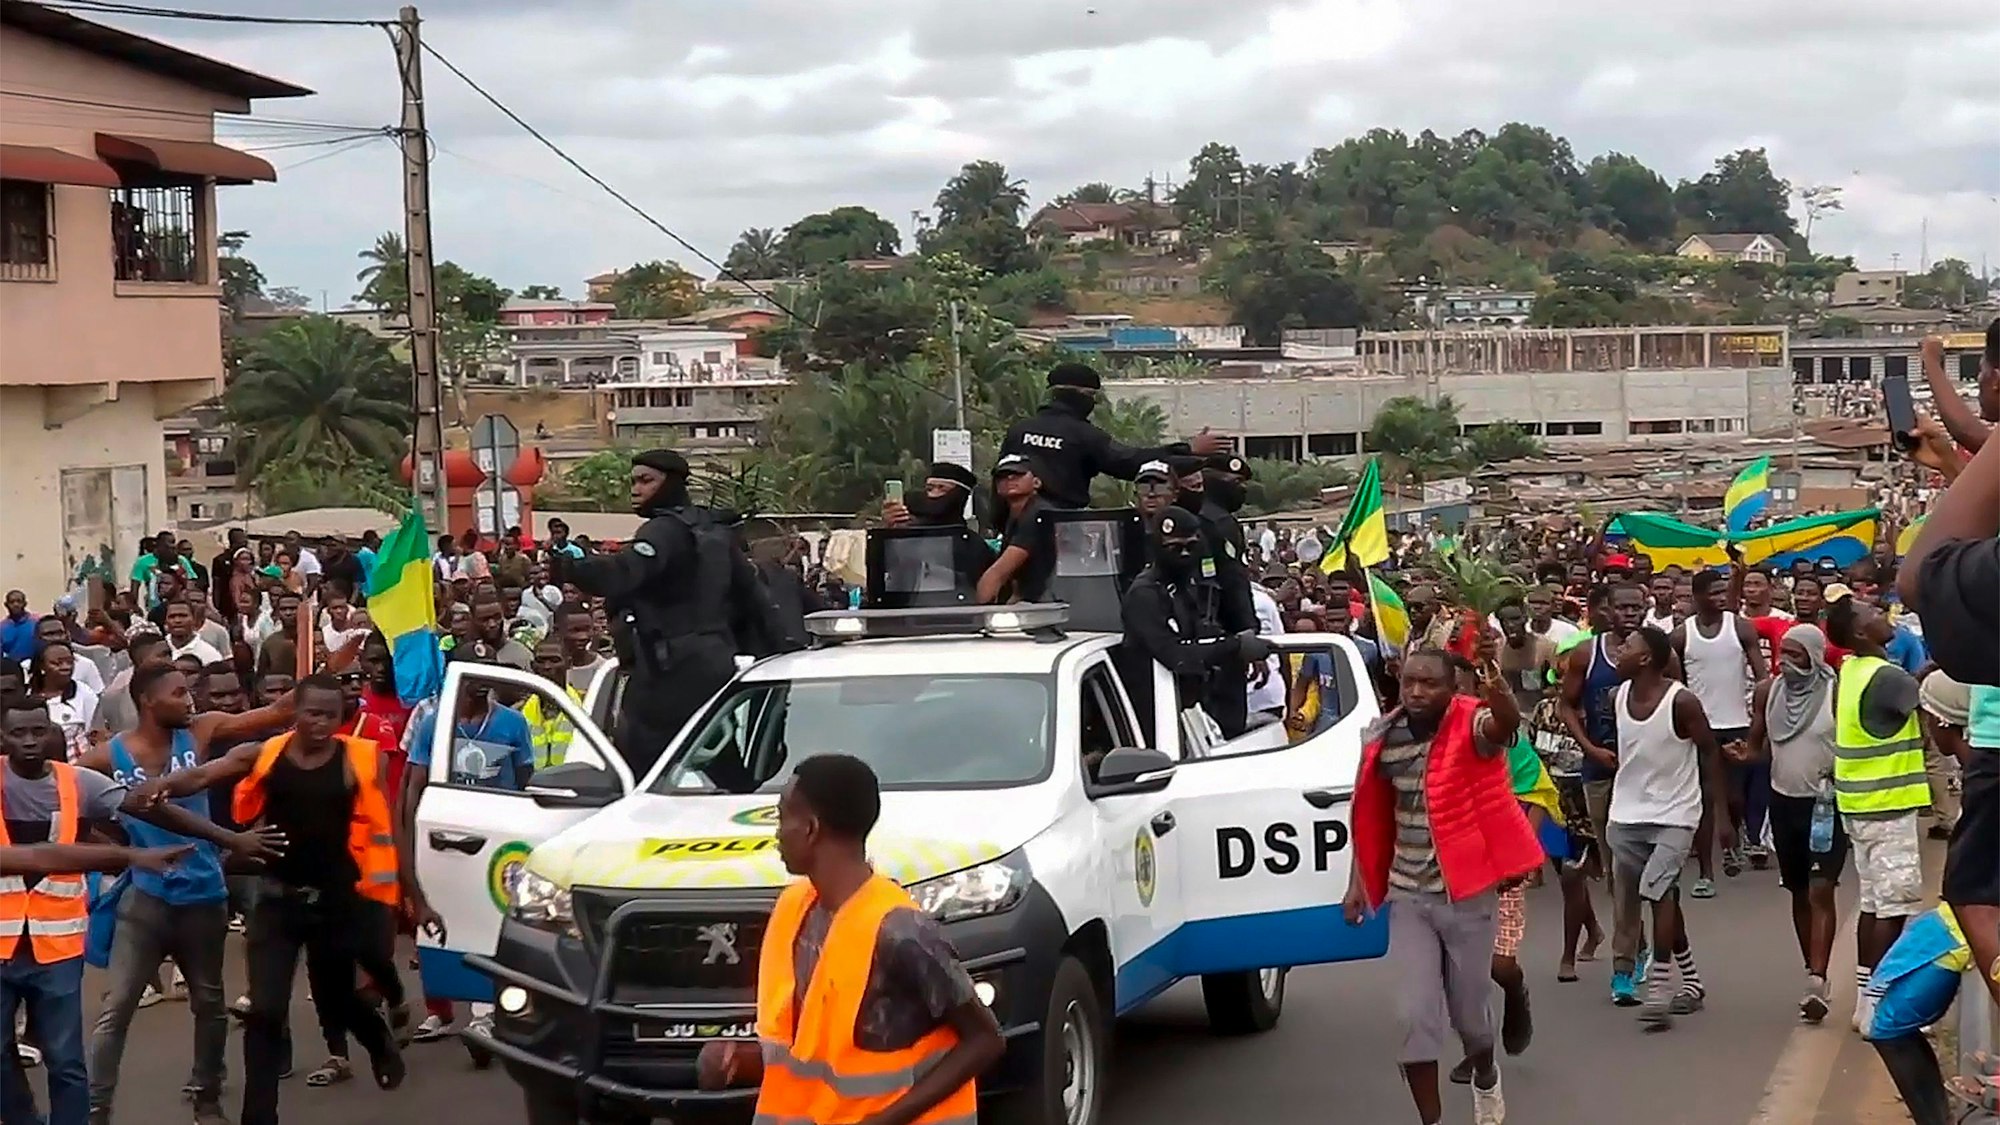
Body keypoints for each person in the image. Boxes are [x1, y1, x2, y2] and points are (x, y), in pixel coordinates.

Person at [140, 674, 412, 1125]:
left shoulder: (358, 760)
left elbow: (385, 822)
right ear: (295, 714)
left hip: (337, 901)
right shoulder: (266, 753)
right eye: (312, 713)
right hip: (275, 901)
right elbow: (206, 773)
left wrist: (406, 886)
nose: (321, 723)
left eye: (331, 714)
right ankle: (259, 1115)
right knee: (265, 1010)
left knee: (339, 998)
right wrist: (163, 786)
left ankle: (379, 1043)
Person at [694, 754, 1003, 1123]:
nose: (776, 832)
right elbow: (812, 1056)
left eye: (781, 817)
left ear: (810, 828)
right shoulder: (794, 911)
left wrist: (885, 1120)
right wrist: (737, 1059)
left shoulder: (901, 931)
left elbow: (986, 1040)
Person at [75, 662, 290, 1125]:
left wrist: (318, 687)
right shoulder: (109, 756)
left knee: (209, 1004)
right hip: (146, 900)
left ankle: (207, 1099)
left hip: (204, 895)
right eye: (179, 692)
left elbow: (273, 715)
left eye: (189, 691)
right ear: (148, 701)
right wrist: (121, 853)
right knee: (117, 1008)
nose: (190, 699)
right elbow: (75, 804)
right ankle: (95, 1110)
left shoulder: (202, 731)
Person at [1343, 644, 1542, 1125]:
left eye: (1429, 683)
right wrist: (1357, 884)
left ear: (1452, 689)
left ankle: (1486, 1074)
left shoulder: (1472, 726)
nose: (1416, 691)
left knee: (1471, 1020)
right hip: (1409, 895)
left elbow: (1504, 726)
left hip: (1468, 895)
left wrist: (1497, 690)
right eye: (1410, 681)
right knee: (1415, 1020)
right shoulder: (1381, 737)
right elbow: (1369, 815)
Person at [550, 449, 790, 775]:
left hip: (670, 673)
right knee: (725, 770)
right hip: (715, 668)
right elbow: (757, 603)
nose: (635, 489)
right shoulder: (712, 531)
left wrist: (572, 567)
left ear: (672, 483)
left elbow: (624, 572)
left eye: (646, 481)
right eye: (633, 481)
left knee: (630, 778)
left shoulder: (663, 531)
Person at [1606, 626, 1733, 1030]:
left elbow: (1710, 752)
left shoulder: (1682, 702)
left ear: (1645, 659)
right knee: (1661, 897)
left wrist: (1722, 816)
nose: (1619, 650)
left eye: (1628, 647)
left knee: (1658, 892)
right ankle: (1692, 983)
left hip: (1675, 815)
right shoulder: (1617, 696)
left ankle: (1659, 986)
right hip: (1625, 815)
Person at [1825, 594, 1929, 1033]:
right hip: (1887, 807)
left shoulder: (1851, 671)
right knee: (1892, 909)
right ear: (1860, 633)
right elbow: (1929, 702)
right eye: (1870, 614)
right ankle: (1882, 1003)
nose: (1880, 614)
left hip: (1859, 804)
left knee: (1873, 904)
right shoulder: (1887, 676)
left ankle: (1867, 999)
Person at [1746, 625, 1846, 1024]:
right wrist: (1743, 755)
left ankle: (1818, 979)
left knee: (1822, 890)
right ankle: (1812, 970)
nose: (1786, 661)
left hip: (1825, 806)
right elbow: (1757, 748)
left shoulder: (1836, 694)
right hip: (1783, 804)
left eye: (1795, 654)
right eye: (1782, 653)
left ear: (1815, 656)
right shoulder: (1768, 692)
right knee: (1799, 892)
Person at [1557, 582, 1649, 1004]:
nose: (1629, 613)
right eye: (1621, 606)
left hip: (1649, 776)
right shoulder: (1585, 654)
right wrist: (1589, 746)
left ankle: (1653, 950)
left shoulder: (1659, 654)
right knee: (1616, 870)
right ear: (1605, 611)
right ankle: (1630, 954)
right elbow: (1565, 705)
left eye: (1636, 605)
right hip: (1600, 772)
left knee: (1652, 872)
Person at [1117, 508, 1273, 749]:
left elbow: (1199, 636)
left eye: (1191, 546)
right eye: (1175, 548)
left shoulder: (1185, 587)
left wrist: (1240, 639)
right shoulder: (1145, 594)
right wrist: (1235, 647)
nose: (1185, 553)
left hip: (1188, 711)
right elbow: (1175, 655)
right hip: (1153, 718)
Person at [998, 359, 1221, 510]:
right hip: (1063, 531)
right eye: (1091, 396)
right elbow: (1131, 463)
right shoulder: (1084, 436)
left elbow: (997, 483)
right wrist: (1189, 450)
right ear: (1082, 395)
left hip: (1014, 532)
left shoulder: (1018, 431)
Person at [1671, 569, 1769, 890]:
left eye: (1722, 591)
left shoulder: (1740, 628)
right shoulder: (1681, 635)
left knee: (1735, 798)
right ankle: (1705, 873)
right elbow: (1675, 685)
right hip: (1700, 730)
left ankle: (1734, 836)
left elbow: (1762, 675)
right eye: (1712, 592)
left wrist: (1759, 716)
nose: (1719, 597)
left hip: (1737, 724)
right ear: (1697, 596)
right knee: (1705, 800)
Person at [976, 454, 1055, 605]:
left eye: (1018, 474)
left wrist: (977, 617)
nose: (1010, 479)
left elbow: (998, 573)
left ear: (1036, 482)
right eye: (1002, 476)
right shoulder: (1014, 516)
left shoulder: (1038, 513)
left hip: (1047, 604)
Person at [162, 600, 227, 667]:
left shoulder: (211, 655)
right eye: (172, 616)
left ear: (194, 619)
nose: (177, 620)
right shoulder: (156, 650)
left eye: (183, 616)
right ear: (166, 621)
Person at [2, 590, 35, 665]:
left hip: (35, 667)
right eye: (12, 602)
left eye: (19, 601)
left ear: (25, 604)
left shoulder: (36, 622)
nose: (15, 604)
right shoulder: (2, 627)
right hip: (12, 668)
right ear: (6, 605)